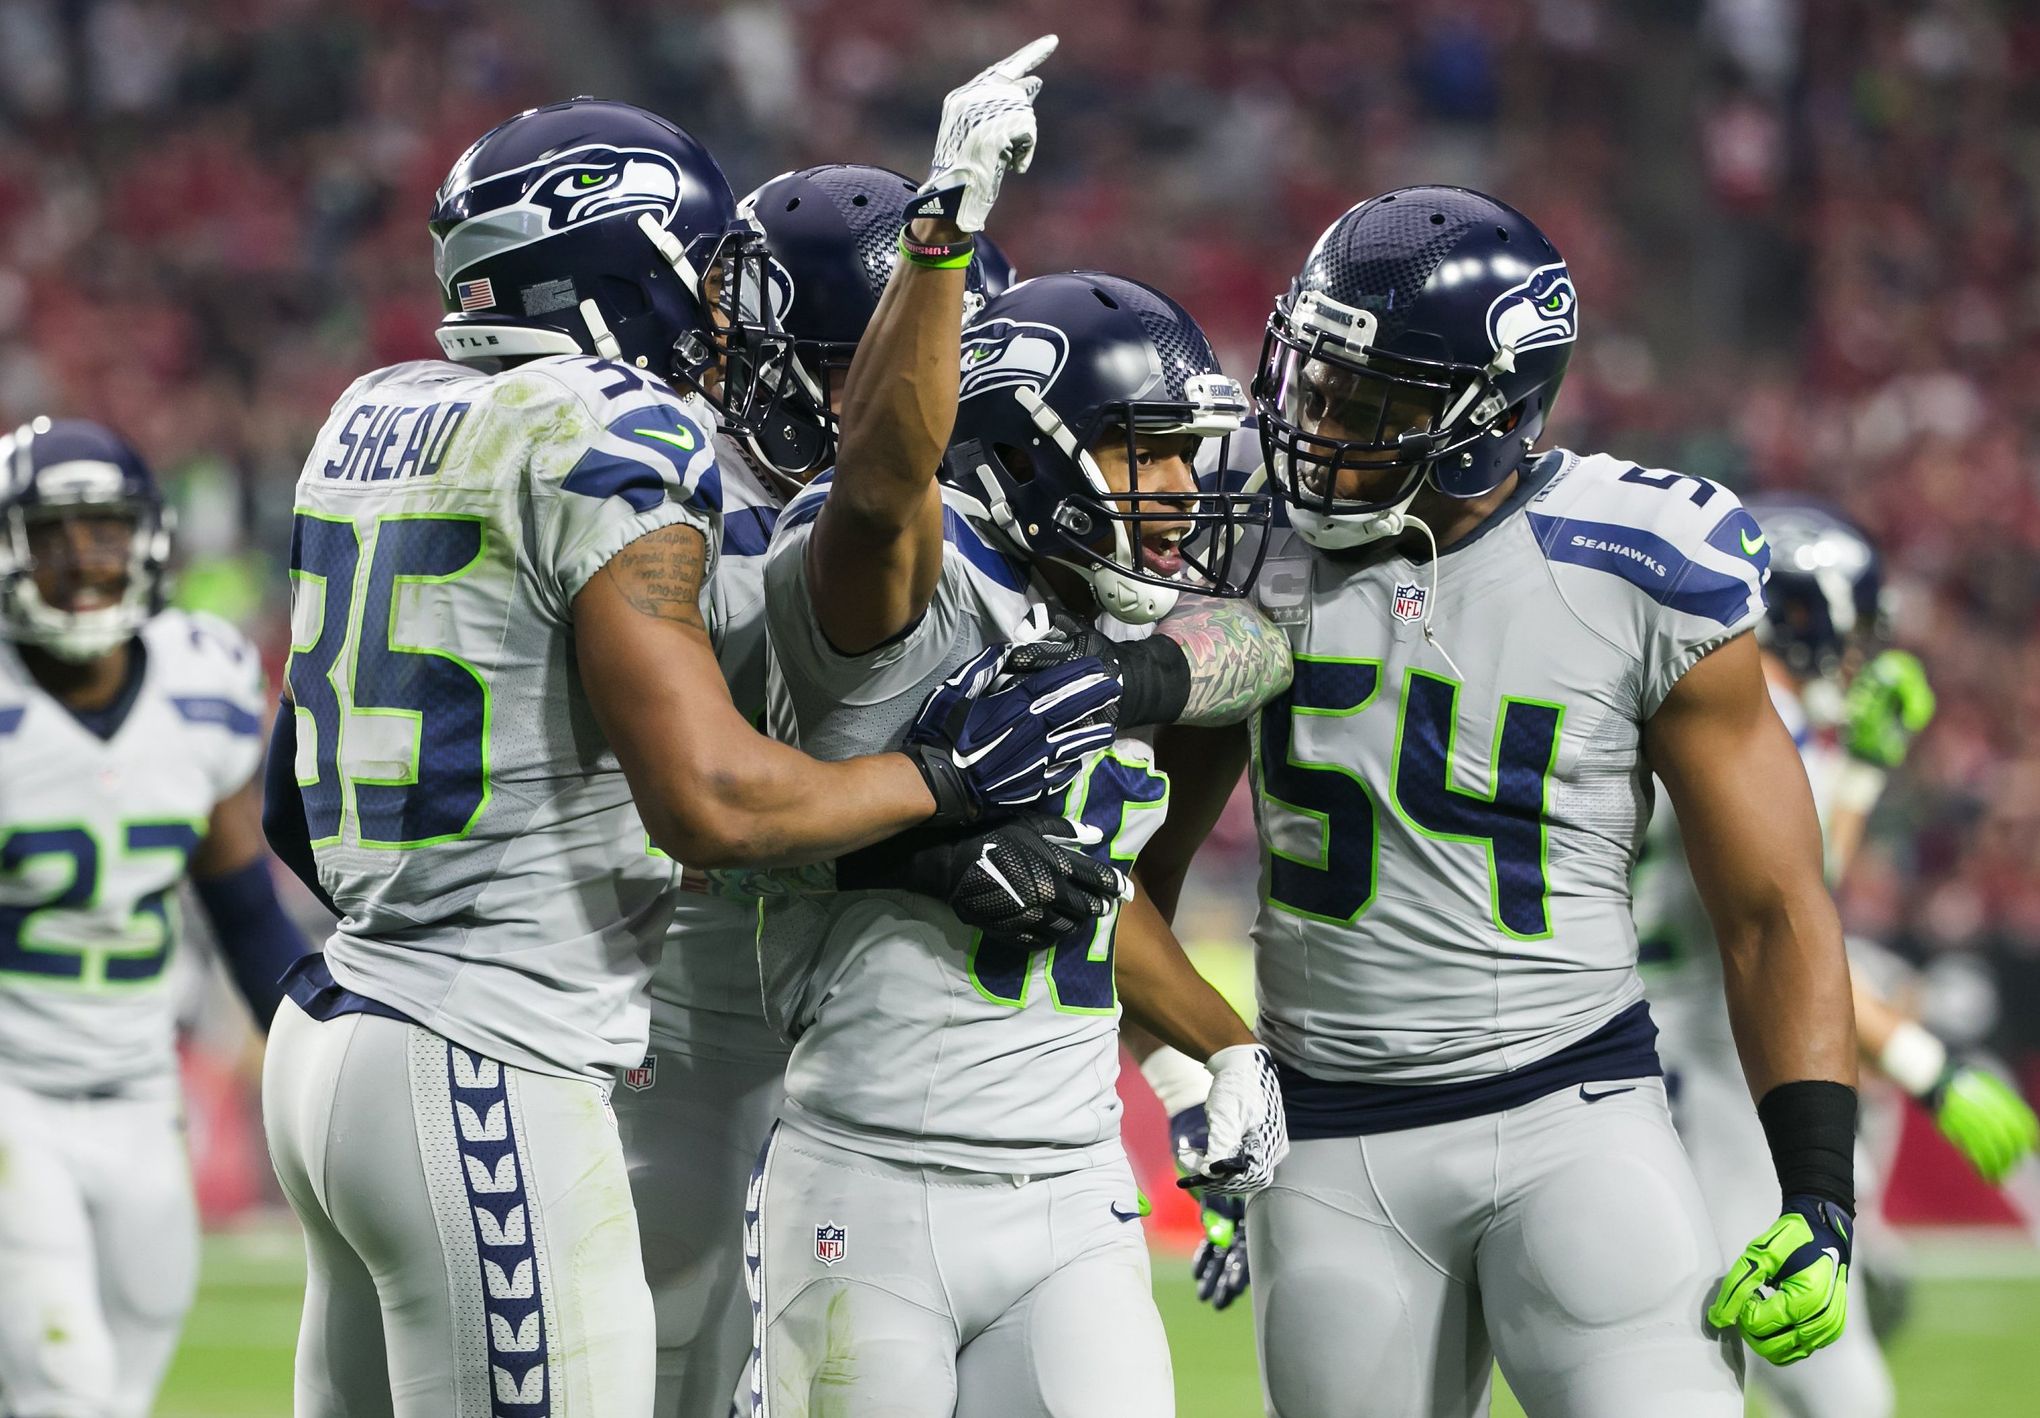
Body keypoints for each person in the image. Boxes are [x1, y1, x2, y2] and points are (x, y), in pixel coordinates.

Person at [257, 97, 1125, 1418]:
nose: (724, 309)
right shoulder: (610, 426)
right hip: (488, 1052)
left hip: (331, 1035)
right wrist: (943, 784)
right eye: (703, 265)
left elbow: (289, 807)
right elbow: (713, 797)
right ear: (618, 266)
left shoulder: (374, 411)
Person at [1135, 185, 1861, 1417]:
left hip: (1577, 1112)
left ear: (1490, 419)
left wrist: (1819, 1188)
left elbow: (1774, 906)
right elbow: (1125, 877)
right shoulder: (1239, 531)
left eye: (1364, 403)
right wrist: (1206, 1067)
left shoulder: (1639, 562)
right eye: (1311, 380)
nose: (1313, 422)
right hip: (1329, 1137)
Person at [745, 38, 1295, 1418]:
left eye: (1186, 450)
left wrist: (1217, 1046)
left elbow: (1248, 653)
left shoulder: (1109, 612)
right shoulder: (906, 578)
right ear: (1027, 446)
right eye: (1146, 450)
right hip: (868, 1181)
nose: (1180, 486)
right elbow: (877, 489)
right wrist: (944, 228)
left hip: (1071, 1187)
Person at [613, 160, 994, 1418]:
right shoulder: (656, 481)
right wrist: (928, 806)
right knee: (662, 1368)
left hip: (890, 1031)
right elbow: (693, 796)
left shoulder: (981, 522)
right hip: (678, 1006)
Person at [1637, 496, 2040, 1418]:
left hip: (1653, 1055)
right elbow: (1788, 940)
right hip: (1705, 1076)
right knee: (1840, 1396)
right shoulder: (1758, 722)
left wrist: (1859, 767)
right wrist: (1929, 1068)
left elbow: (1796, 888)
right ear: (1807, 613)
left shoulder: (1702, 695)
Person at [0, 416, 307, 1418]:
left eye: (105, 528)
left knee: (120, 1387)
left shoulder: (201, 679)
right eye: (56, 531)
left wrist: (318, 1059)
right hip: (10, 1092)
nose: (85, 557)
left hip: (140, 1091)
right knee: (63, 1386)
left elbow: (246, 914)